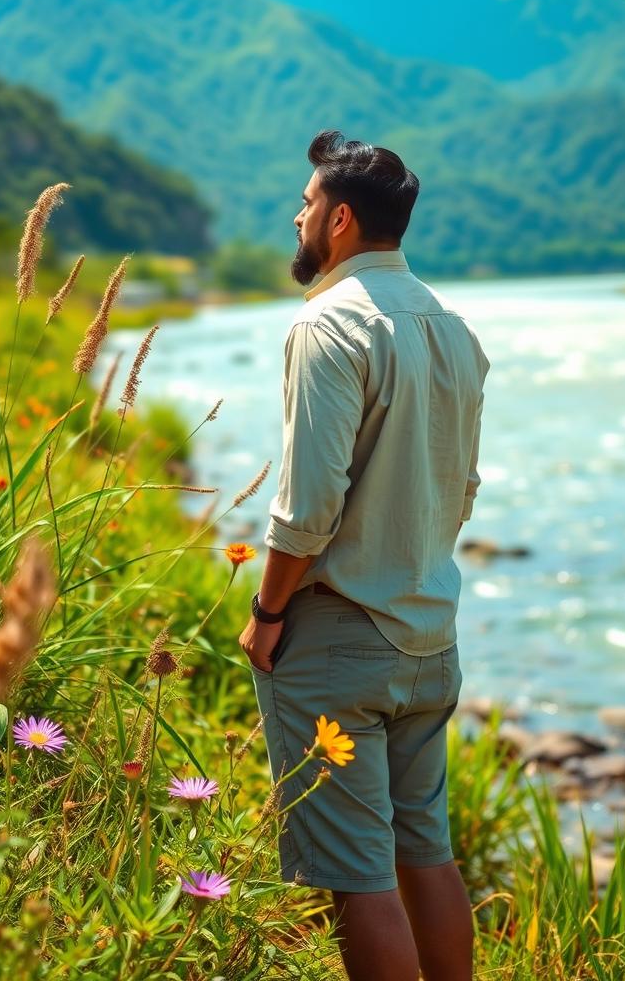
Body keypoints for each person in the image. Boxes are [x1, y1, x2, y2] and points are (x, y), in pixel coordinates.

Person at [238, 130, 490, 981]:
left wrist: (268, 613)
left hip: (341, 640)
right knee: (427, 854)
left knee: (356, 878)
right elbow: (463, 490)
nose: (296, 216)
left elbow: (307, 509)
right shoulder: (453, 330)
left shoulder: (327, 326)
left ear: (340, 221)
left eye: (306, 205)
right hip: (431, 634)